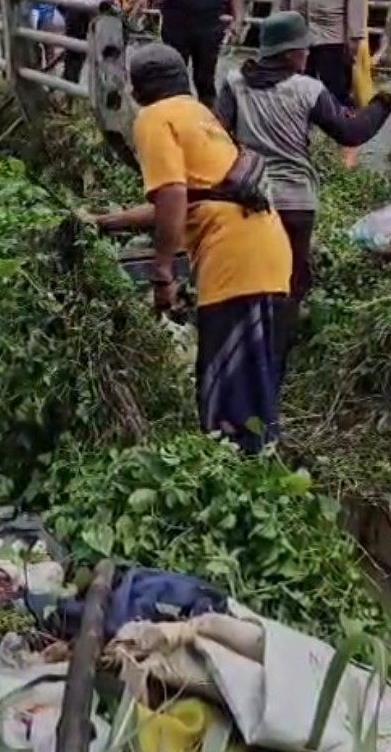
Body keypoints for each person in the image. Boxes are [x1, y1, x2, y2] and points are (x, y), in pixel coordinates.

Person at [92, 43, 291, 454]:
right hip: (267, 248)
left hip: (232, 260)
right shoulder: (198, 113)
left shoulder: (153, 118)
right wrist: (105, 222)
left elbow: (172, 198)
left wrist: (162, 272)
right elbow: (198, 194)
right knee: (253, 377)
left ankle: (237, 473)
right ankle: (261, 467)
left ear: (138, 86)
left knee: (228, 394)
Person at [216, 11, 391, 369]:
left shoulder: (235, 81)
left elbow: (219, 137)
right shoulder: (307, 89)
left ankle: (243, 354)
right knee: (290, 282)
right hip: (296, 202)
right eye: (303, 50)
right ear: (288, 54)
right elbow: (351, 132)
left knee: (251, 277)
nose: (307, 56)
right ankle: (274, 363)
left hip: (249, 199)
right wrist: (384, 101)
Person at [274, 0, 368, 165]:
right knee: (295, 97)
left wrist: (355, 36)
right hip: (298, 40)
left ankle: (343, 159)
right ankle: (297, 153)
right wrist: (277, 37)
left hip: (333, 37)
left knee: (337, 98)